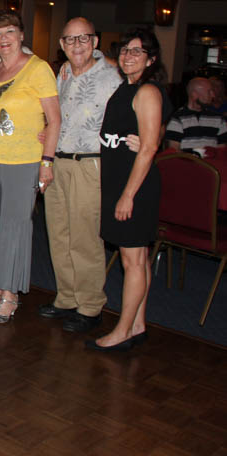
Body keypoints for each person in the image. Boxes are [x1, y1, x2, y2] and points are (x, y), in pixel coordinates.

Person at [0, 10, 60, 324]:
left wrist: (46, 163)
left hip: (24, 161)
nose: (3, 39)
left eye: (9, 31)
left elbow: (55, 120)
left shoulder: (38, 69)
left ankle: (11, 295)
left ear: (22, 35)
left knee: (15, 229)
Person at [89, 29, 172, 351]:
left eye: (138, 52)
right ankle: (137, 324)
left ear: (151, 59)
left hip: (134, 187)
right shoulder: (127, 87)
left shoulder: (148, 91)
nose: (129, 56)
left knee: (132, 261)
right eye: (125, 50)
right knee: (138, 259)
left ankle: (122, 330)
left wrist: (128, 195)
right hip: (118, 181)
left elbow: (149, 148)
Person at [41, 18, 123, 333]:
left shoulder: (112, 76)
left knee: (85, 238)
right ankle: (66, 297)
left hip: (91, 164)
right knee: (58, 233)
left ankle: (90, 305)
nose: (77, 45)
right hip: (57, 163)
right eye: (71, 40)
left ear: (95, 41)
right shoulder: (60, 75)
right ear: (62, 44)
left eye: (84, 38)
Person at [165, 77, 226, 154]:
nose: (213, 95)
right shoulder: (177, 119)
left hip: (211, 164)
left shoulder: (219, 119)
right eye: (209, 92)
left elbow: (221, 151)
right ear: (194, 95)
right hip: (185, 164)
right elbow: (173, 151)